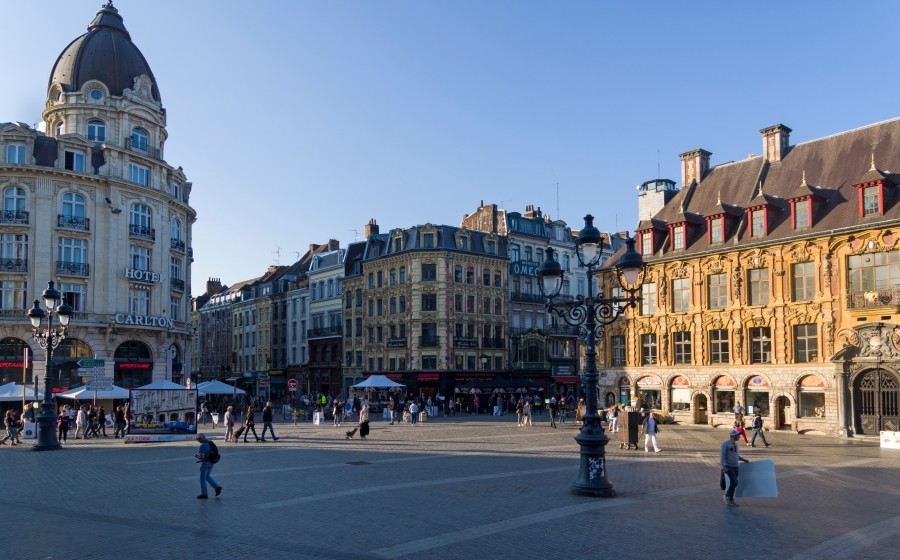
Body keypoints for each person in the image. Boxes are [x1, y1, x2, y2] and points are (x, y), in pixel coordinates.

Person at [721, 428, 750, 506]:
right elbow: (723, 456)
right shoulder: (725, 444)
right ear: (733, 436)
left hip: (735, 466)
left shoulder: (735, 445)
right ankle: (727, 497)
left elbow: (736, 455)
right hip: (728, 467)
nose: (739, 437)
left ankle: (731, 499)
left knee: (733, 483)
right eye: (738, 435)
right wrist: (723, 466)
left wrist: (743, 459)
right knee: (735, 482)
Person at [194, 433, 222, 499]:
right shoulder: (211, 443)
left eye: (198, 440)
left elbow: (202, 458)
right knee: (207, 476)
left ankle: (204, 494)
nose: (198, 441)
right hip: (212, 462)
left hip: (206, 463)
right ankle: (217, 487)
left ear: (202, 438)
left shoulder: (202, 446)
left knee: (202, 479)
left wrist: (196, 456)